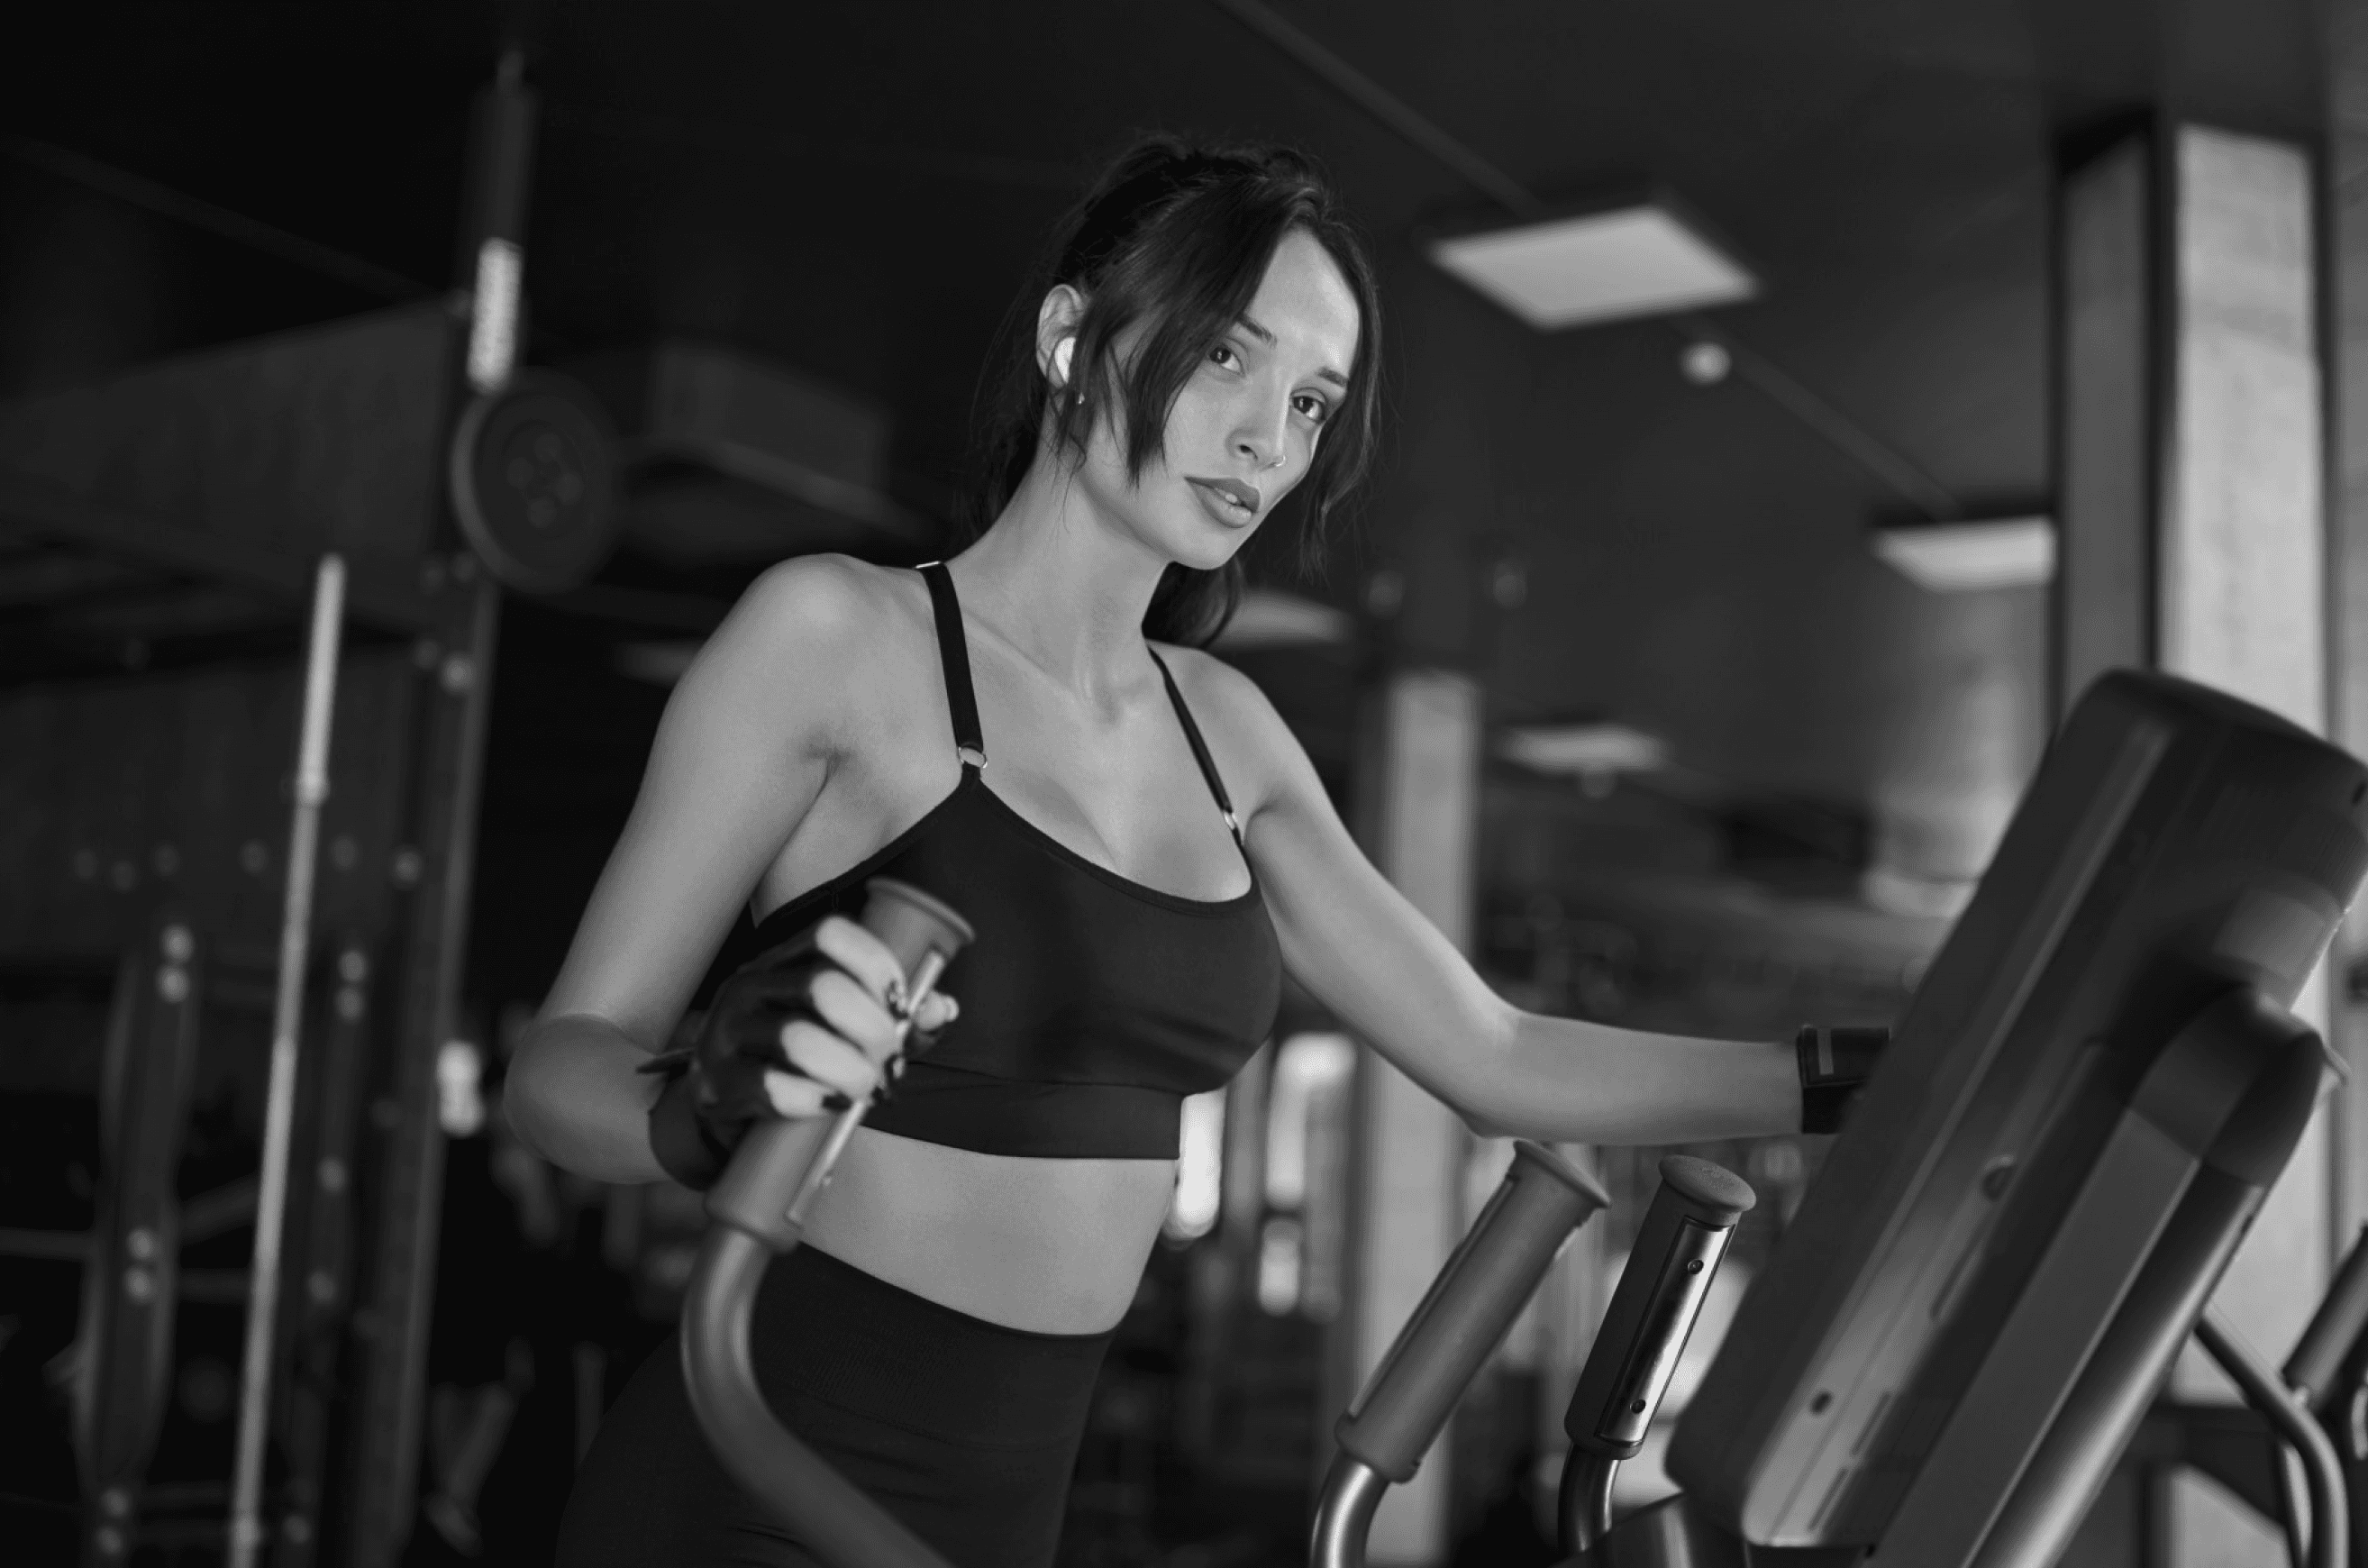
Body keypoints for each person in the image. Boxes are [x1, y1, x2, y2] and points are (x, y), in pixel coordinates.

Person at [511, 136, 1814, 1568]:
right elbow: (562, 1062)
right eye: (1227, 363)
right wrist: (691, 1105)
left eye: (1312, 401)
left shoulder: (1230, 734)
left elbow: (1494, 1051)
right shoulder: (838, 639)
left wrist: (1845, 1083)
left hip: (1012, 1514)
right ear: (1075, 339)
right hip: (753, 1477)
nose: (1271, 437)